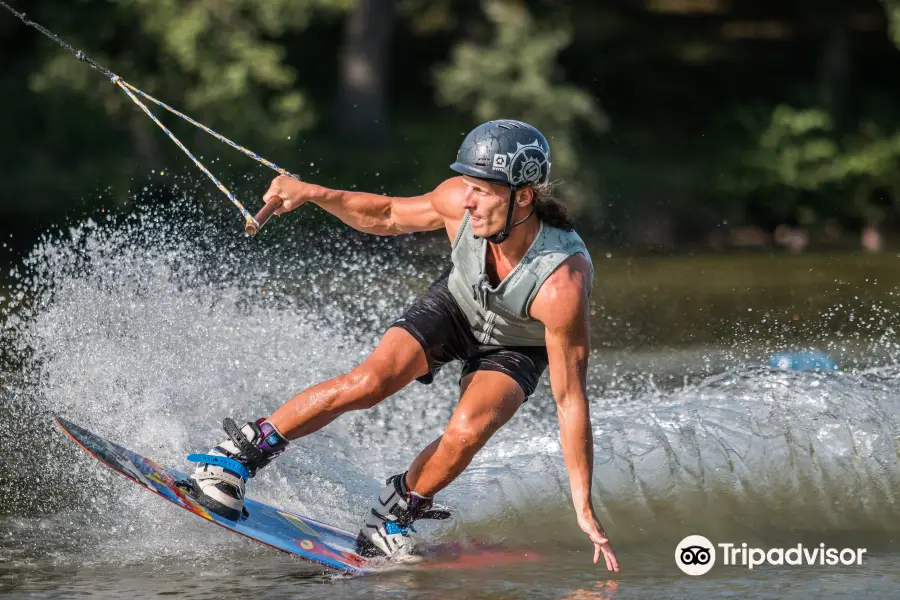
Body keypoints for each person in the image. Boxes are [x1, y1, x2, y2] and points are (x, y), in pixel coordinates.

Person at [188, 120, 619, 571]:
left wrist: (582, 504)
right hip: (457, 305)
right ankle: (233, 459)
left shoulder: (561, 282)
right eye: (468, 184)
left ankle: (395, 514)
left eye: (484, 191)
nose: (468, 199)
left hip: (515, 345)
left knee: (467, 433)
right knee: (370, 381)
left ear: (524, 196)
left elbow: (570, 400)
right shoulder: (458, 200)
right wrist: (313, 193)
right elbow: (388, 214)